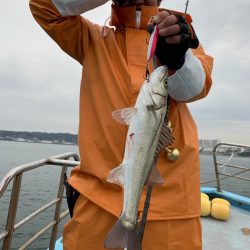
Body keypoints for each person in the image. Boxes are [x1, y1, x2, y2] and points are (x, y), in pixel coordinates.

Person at [29, 0, 213, 249]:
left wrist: (179, 58)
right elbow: (44, 7)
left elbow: (196, 88)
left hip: (174, 207)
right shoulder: (92, 38)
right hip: (96, 201)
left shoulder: (182, 35)